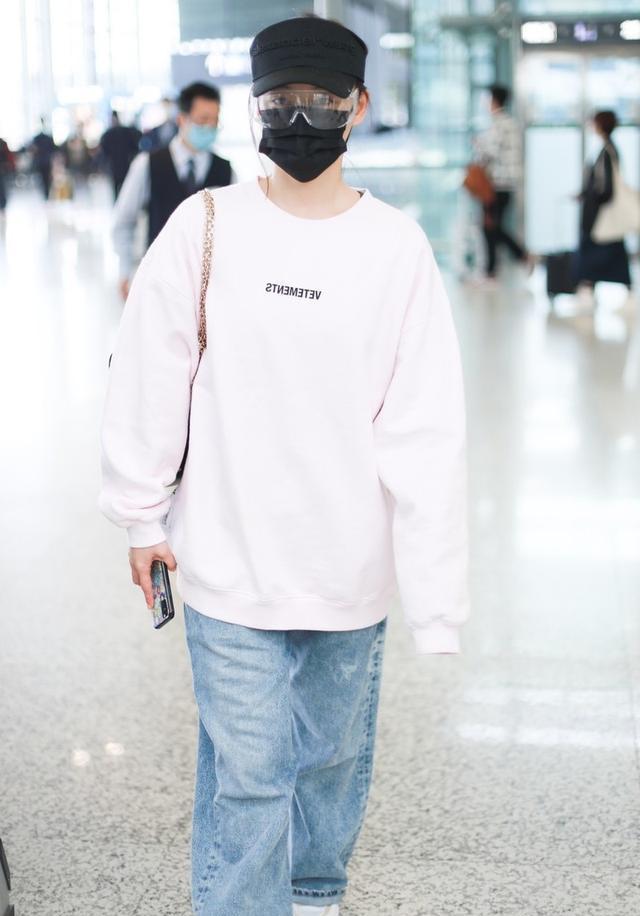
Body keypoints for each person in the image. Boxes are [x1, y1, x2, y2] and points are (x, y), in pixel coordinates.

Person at [100, 15, 468, 916]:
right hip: (226, 560)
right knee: (252, 775)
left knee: (331, 763)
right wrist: (141, 517)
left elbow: (425, 428)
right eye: (280, 101)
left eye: (321, 101)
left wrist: (436, 600)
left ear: (358, 107)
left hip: (349, 568)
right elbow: (149, 375)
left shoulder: (396, 248)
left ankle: (312, 892)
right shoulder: (206, 225)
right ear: (254, 107)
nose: (300, 118)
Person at [112, 81, 233, 300]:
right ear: (182, 119)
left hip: (208, 288)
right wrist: (125, 271)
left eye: (215, 122)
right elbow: (124, 220)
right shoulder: (148, 164)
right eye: (202, 120)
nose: (209, 128)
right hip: (159, 281)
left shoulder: (225, 170)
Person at [574, 110, 632, 307]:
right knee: (612, 251)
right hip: (601, 212)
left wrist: (589, 198)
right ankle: (591, 287)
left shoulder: (606, 152)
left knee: (594, 250)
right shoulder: (609, 149)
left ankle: (588, 288)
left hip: (599, 213)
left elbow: (605, 189)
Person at [474, 84, 530, 284]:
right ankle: (511, 261)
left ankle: (497, 269)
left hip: (497, 184)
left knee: (490, 226)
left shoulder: (500, 123)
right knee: (492, 226)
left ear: (494, 101)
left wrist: (478, 143)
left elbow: (491, 151)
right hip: (506, 184)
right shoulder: (510, 123)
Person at [99, 111, 142, 199]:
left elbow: (104, 150)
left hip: (119, 165)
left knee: (123, 187)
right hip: (120, 164)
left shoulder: (111, 133)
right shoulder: (123, 132)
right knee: (123, 187)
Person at [30, 118, 56, 200]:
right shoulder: (43, 138)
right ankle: (46, 194)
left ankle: (47, 194)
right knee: (45, 179)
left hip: (44, 161)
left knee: (45, 179)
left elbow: (33, 150)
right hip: (44, 161)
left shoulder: (39, 138)